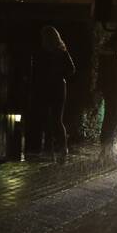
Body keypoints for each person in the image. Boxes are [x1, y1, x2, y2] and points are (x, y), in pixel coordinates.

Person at [31, 26, 76, 163]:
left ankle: (51, 149)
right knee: (55, 119)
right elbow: (71, 69)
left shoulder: (47, 52)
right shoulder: (61, 51)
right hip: (56, 87)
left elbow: (70, 69)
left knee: (51, 119)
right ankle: (60, 148)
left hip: (50, 87)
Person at [98, 30, 117, 163]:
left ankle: (107, 150)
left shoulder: (107, 51)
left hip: (110, 89)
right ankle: (107, 151)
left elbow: (102, 72)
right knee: (112, 119)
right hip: (114, 88)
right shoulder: (114, 53)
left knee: (110, 118)